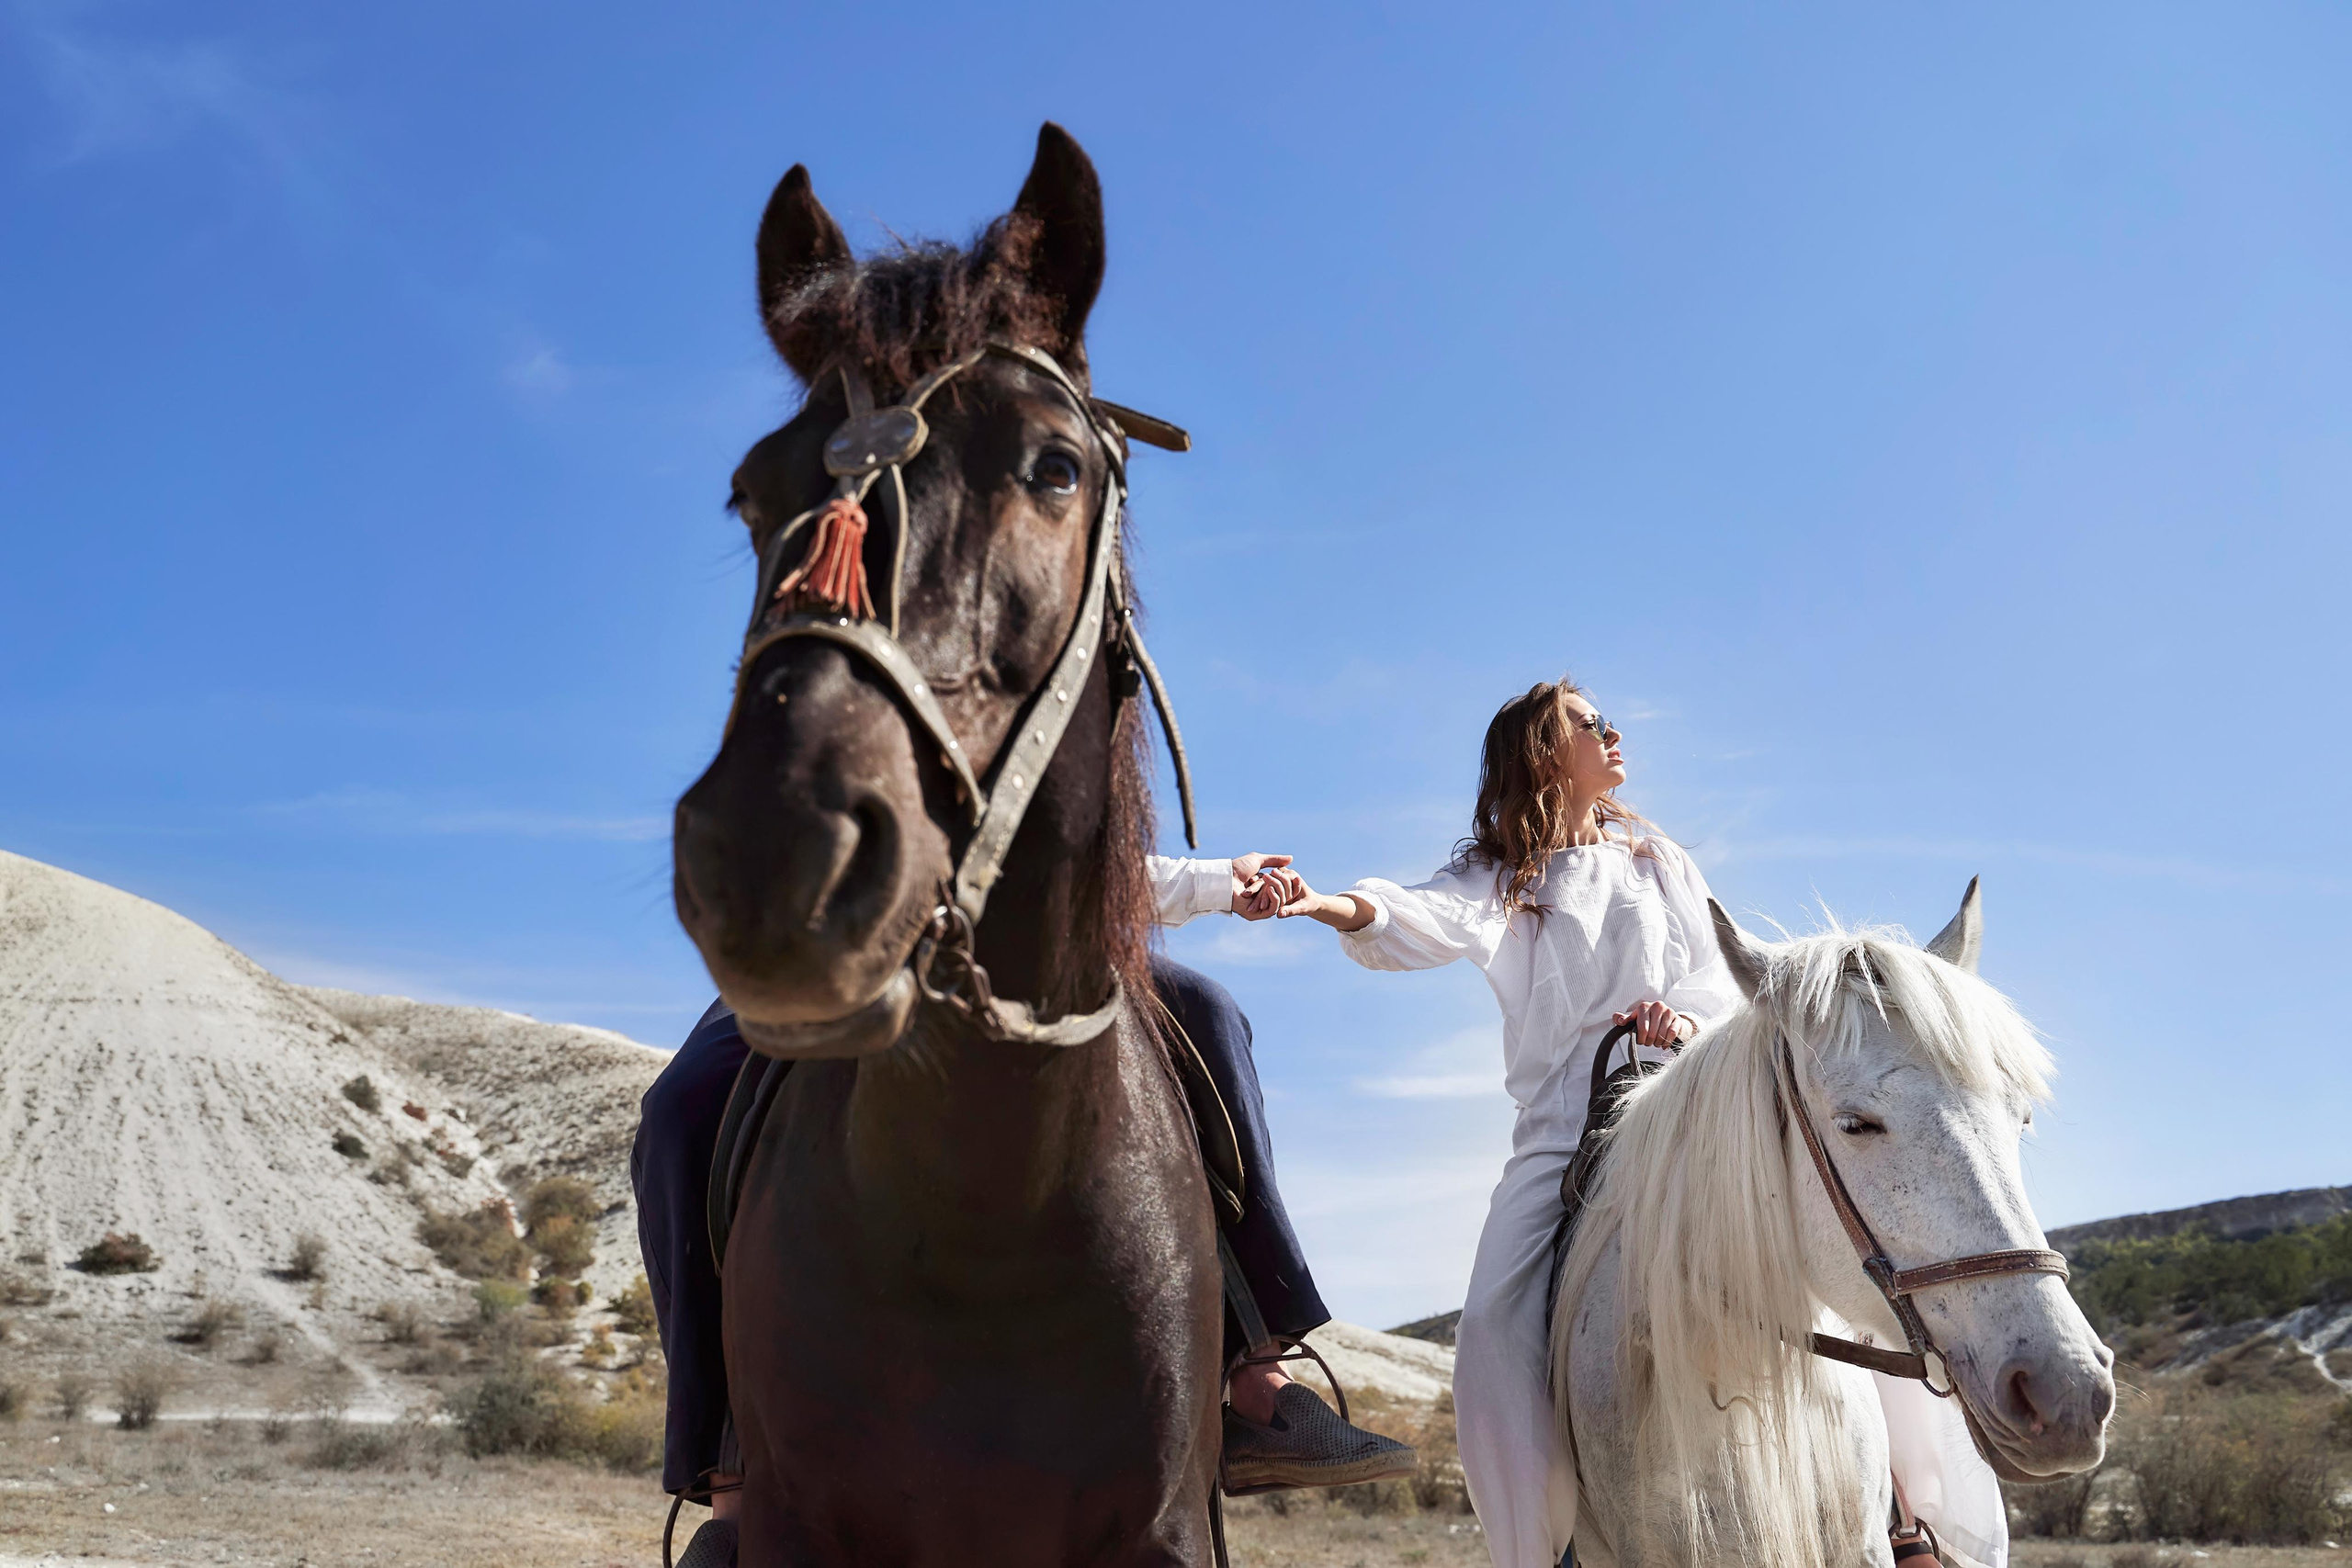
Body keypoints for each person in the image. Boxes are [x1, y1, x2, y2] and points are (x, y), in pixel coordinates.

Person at [631, 852, 1413, 1562]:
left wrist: (1213, 882)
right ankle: (729, 1474)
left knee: (1212, 1011)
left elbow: (1076, 846)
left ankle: (1260, 1371)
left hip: (1033, 934)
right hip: (841, 944)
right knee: (677, 1109)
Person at [1270, 678, 1739, 1568]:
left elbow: (1717, 976)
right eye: (1589, 724)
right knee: (1487, 1329)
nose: (1613, 732)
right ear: (1543, 753)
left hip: (1680, 1106)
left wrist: (1680, 1020)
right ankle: (1533, 1551)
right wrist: (1315, 901)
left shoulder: (1658, 864)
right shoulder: (1502, 882)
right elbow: (1407, 913)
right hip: (1562, 1132)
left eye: (1607, 719)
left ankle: (1906, 1519)